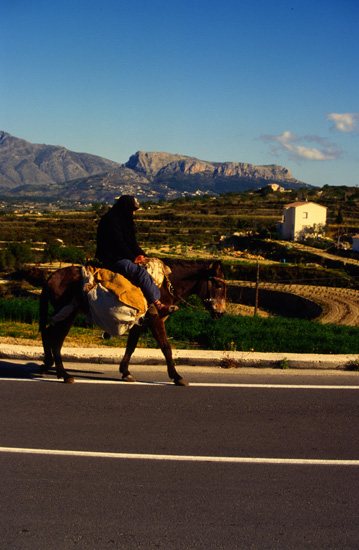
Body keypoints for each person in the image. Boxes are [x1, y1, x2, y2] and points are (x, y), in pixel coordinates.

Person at [95, 195, 175, 317]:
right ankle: (158, 304)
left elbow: (132, 243)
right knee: (141, 273)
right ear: (126, 208)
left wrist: (145, 256)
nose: (133, 213)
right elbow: (118, 243)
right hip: (112, 257)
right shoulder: (111, 219)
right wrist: (133, 258)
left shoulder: (124, 220)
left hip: (121, 255)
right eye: (133, 210)